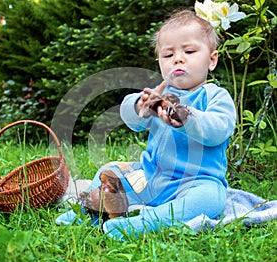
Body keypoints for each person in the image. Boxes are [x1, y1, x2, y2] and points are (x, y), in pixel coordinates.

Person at [57, 9, 236, 240]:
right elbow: (131, 121)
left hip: (195, 183)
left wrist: (188, 118)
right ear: (159, 62)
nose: (178, 59)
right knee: (108, 171)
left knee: (212, 199)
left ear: (212, 60)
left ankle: (140, 223)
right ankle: (89, 212)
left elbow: (218, 130)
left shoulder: (215, 96)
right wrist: (139, 107)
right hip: (151, 179)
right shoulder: (158, 95)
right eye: (168, 55)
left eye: (189, 51)